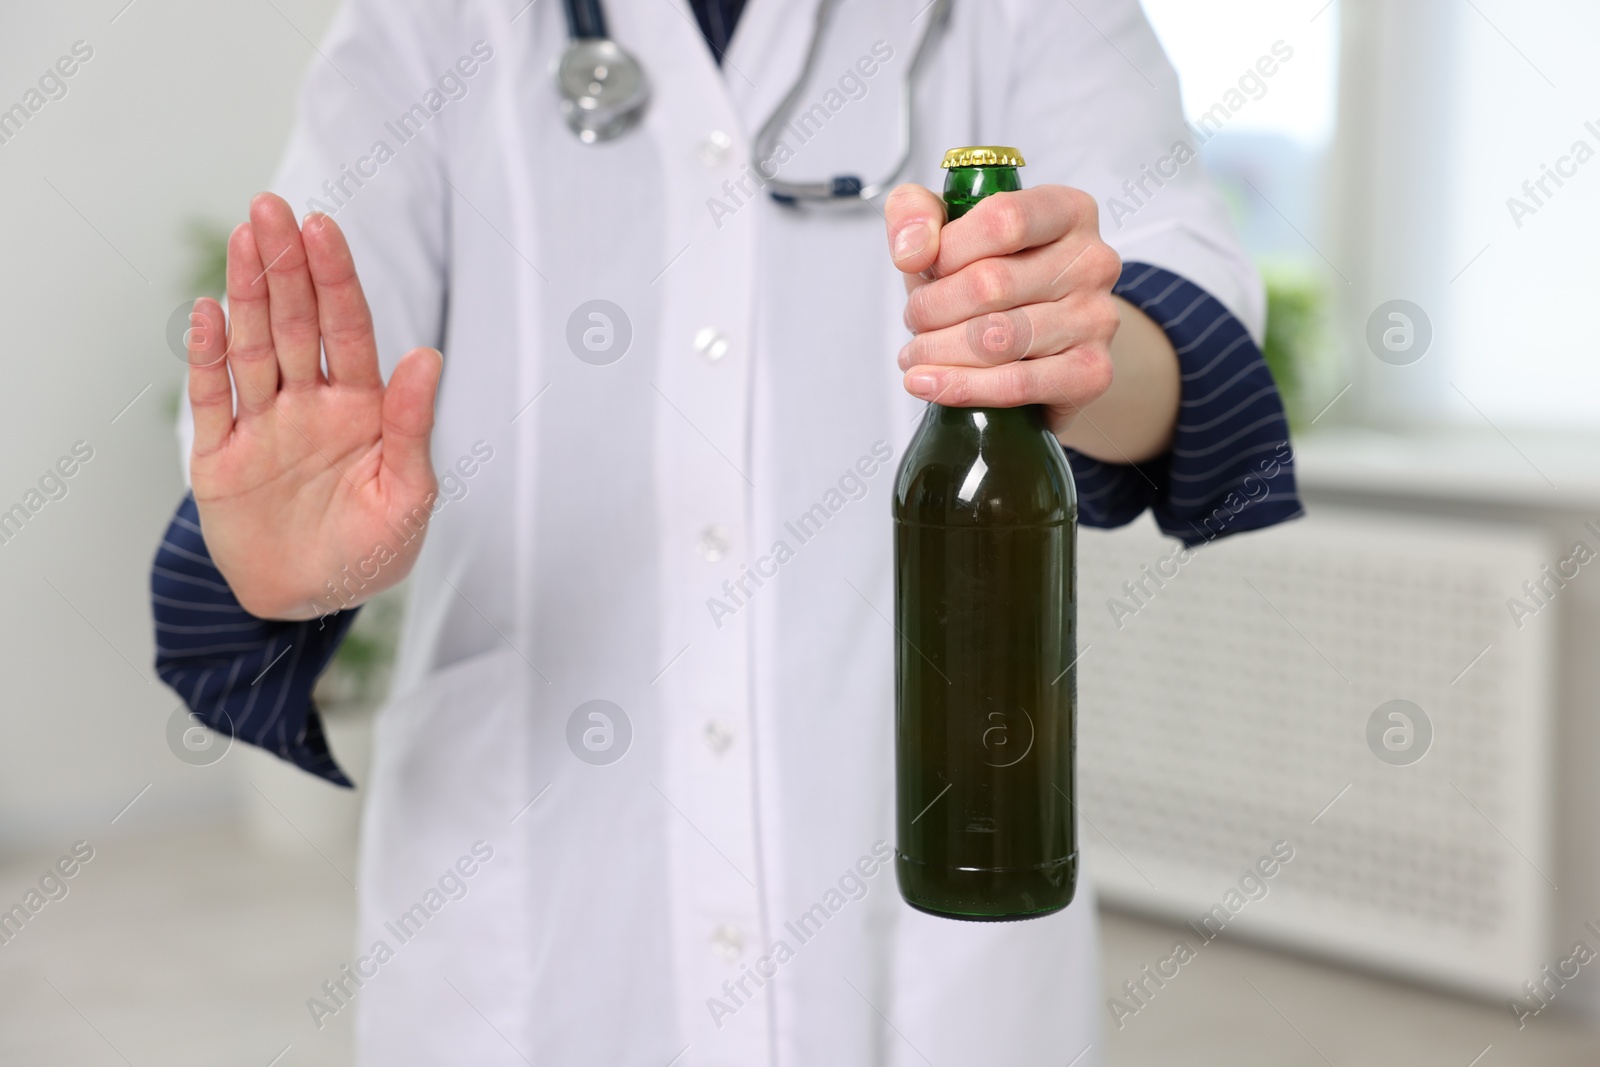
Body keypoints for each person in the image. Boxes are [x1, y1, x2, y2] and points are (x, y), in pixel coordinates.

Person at [151, 0, 1301, 1063]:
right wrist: (286, 562)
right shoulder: (429, 21)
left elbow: (1174, 294)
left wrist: (1072, 342)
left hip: (922, 933)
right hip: (539, 921)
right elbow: (317, 360)